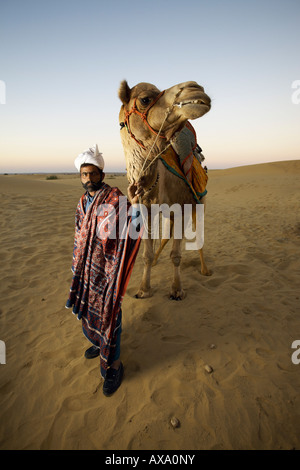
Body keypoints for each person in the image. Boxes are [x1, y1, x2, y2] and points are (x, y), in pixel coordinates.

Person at [66, 144, 144, 396]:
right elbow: (80, 232)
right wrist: (78, 262)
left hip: (108, 271)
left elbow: (132, 222)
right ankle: (99, 344)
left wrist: (132, 202)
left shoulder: (113, 197)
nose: (88, 179)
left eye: (93, 174)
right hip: (87, 270)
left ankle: (115, 365)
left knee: (110, 313)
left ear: (102, 174)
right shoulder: (82, 201)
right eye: (84, 175)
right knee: (91, 310)